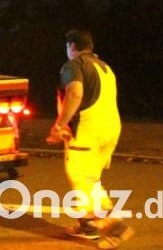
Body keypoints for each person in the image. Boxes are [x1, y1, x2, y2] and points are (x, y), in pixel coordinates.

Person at [47, 30, 133, 249]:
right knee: (91, 179)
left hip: (88, 129)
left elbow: (75, 94)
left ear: (72, 46)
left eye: (67, 46)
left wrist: (60, 125)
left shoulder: (74, 65)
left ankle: (113, 226)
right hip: (111, 129)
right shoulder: (105, 68)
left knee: (81, 177)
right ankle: (87, 226)